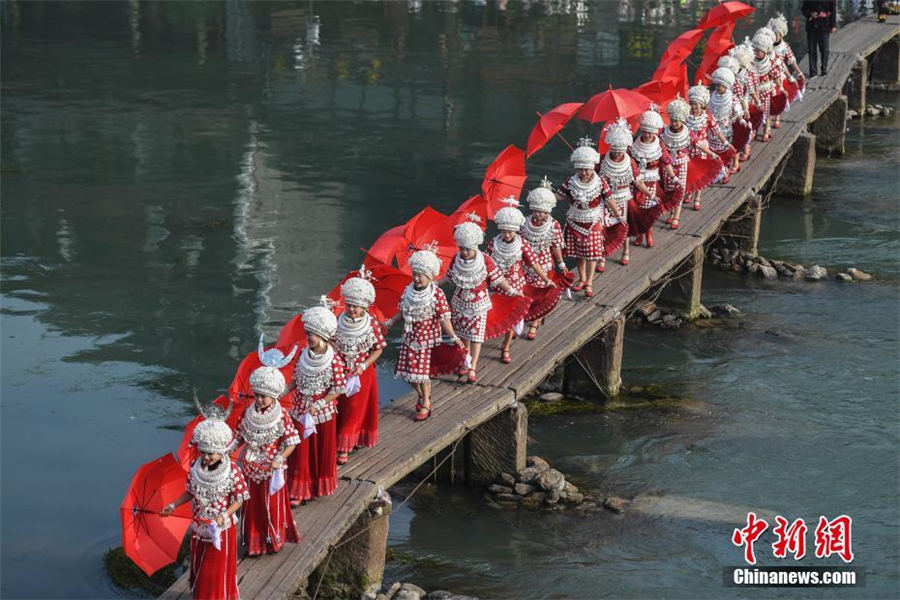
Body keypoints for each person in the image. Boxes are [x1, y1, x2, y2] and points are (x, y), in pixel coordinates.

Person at [162, 404, 248, 600]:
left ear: (222, 450)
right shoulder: (195, 467)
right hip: (200, 525)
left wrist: (224, 515)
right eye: (204, 452)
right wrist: (174, 505)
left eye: (211, 453)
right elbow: (190, 492)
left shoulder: (232, 470)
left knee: (214, 567)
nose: (207, 457)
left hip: (221, 528)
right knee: (199, 564)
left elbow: (240, 498)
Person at [386, 247, 463, 420]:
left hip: (426, 340)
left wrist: (453, 336)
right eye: (415, 274)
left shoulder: (437, 294)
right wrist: (390, 322)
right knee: (408, 374)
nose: (416, 278)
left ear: (430, 276)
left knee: (421, 374)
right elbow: (403, 312)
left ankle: (426, 402)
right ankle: (422, 395)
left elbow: (444, 318)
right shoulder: (408, 291)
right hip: (409, 338)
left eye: (420, 275)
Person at [235, 366, 300, 556]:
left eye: (263, 396)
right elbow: (238, 436)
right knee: (251, 506)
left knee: (269, 506)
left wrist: (280, 458)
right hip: (250, 467)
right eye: (257, 395)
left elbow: (292, 442)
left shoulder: (282, 416)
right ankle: (253, 542)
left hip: (271, 469)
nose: (259, 400)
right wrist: (224, 449)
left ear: (274, 396)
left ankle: (272, 541)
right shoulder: (247, 414)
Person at [286, 303, 346, 506]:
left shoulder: (333, 360)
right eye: (307, 333)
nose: (308, 337)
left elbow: (338, 388)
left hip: (322, 411)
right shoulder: (303, 354)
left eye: (312, 334)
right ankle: (298, 488)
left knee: (317, 449)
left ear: (321, 335)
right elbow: (295, 378)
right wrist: (282, 391)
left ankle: (314, 486)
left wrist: (320, 403)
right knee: (300, 450)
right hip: (301, 406)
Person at [446, 220, 518, 382]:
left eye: (468, 250)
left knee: (476, 337)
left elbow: (498, 279)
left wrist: (511, 290)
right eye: (462, 249)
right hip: (459, 303)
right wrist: (435, 284)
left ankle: (473, 366)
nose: (464, 252)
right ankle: (466, 361)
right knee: (463, 335)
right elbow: (449, 278)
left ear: (475, 247)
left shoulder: (485, 260)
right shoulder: (455, 259)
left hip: (479, 304)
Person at [486, 202, 555, 363]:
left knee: (512, 318)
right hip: (497, 286)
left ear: (515, 230)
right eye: (504, 231)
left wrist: (545, 279)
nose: (507, 235)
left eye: (510, 231)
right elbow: (486, 262)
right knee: (496, 316)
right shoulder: (494, 243)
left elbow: (533, 263)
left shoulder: (522, 244)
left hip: (516, 286)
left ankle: (506, 346)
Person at [334, 273, 386, 465]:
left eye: (355, 306)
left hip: (362, 373)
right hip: (341, 371)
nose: (352, 309)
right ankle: (344, 439)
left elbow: (379, 347)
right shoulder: (339, 319)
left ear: (364, 306)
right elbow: (332, 343)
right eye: (349, 305)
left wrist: (363, 365)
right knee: (341, 406)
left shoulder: (371, 323)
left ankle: (344, 446)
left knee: (355, 408)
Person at [559, 136, 620, 295]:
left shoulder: (600, 182)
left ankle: (590, 281)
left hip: (593, 221)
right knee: (579, 253)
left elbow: (610, 199)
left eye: (587, 169)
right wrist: (545, 195)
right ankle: (582, 278)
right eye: (581, 169)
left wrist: (618, 215)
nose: (584, 173)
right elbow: (559, 196)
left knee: (593, 252)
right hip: (574, 221)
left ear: (593, 168)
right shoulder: (570, 182)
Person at [598, 118, 652, 266]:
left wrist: (648, 193)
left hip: (623, 197)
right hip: (606, 198)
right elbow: (595, 178)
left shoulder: (630, 161)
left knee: (624, 224)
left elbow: (637, 181)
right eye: (614, 150)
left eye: (619, 151)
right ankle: (603, 254)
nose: (616, 154)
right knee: (604, 226)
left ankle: (625, 251)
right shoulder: (602, 160)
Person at [521, 177, 566, 340]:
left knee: (541, 293)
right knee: (526, 291)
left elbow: (556, 246)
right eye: (536, 211)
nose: (539, 214)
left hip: (545, 262)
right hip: (526, 264)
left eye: (542, 212)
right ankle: (527, 314)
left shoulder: (554, 225)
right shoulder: (524, 223)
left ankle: (535, 321)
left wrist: (560, 262)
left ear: (548, 211)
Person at [629, 107, 677, 248]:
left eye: (651, 132)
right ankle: (639, 233)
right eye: (645, 132)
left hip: (651, 181)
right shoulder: (633, 143)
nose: (648, 135)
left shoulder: (659, 144)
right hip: (636, 181)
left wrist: (673, 177)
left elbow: (666, 161)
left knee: (648, 207)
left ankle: (648, 233)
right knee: (637, 209)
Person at [686, 83, 733, 205]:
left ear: (702, 105)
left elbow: (716, 130)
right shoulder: (686, 116)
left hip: (703, 149)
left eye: (696, 104)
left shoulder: (707, 117)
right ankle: (690, 191)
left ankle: (698, 196)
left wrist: (725, 142)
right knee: (690, 172)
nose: (693, 106)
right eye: (692, 104)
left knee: (701, 173)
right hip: (689, 149)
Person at [751, 28, 789, 142]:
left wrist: (781, 88)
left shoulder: (770, 63)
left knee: (766, 112)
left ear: (765, 51)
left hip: (766, 91)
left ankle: (766, 130)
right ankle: (754, 129)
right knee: (755, 112)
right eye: (755, 50)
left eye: (759, 51)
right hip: (755, 92)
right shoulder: (751, 62)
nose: (756, 52)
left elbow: (776, 76)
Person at [660, 96, 693, 230]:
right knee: (669, 189)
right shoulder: (664, 132)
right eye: (673, 121)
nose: (674, 123)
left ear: (682, 121)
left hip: (681, 163)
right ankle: (672, 211)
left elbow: (696, 142)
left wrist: (710, 153)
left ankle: (677, 216)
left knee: (680, 188)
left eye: (677, 121)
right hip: (668, 165)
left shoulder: (687, 132)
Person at [707, 68, 746, 176]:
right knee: (714, 148)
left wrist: (741, 120)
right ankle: (720, 169)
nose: (718, 88)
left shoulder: (732, 98)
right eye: (717, 85)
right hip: (713, 127)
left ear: (726, 86)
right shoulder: (711, 96)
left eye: (720, 86)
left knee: (729, 148)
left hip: (727, 127)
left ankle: (733, 164)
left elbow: (737, 110)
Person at [768, 12, 804, 129]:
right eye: (773, 33)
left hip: (780, 75)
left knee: (778, 95)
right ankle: (769, 117)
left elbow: (792, 60)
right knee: (769, 96)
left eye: (777, 34)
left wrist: (799, 72)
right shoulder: (767, 46)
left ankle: (777, 116)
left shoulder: (784, 47)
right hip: (768, 75)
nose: (775, 36)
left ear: (781, 34)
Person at [728, 40, 761, 162]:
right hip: (734, 105)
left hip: (745, 103)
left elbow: (752, 90)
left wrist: (757, 102)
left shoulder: (747, 76)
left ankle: (746, 149)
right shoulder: (733, 75)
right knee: (736, 128)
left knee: (746, 127)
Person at [802, 1, 837, 78]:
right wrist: (810, 14)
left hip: (824, 25)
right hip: (811, 26)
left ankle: (824, 70)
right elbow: (804, 9)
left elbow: (833, 10)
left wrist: (833, 25)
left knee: (825, 49)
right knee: (811, 50)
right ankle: (813, 72)